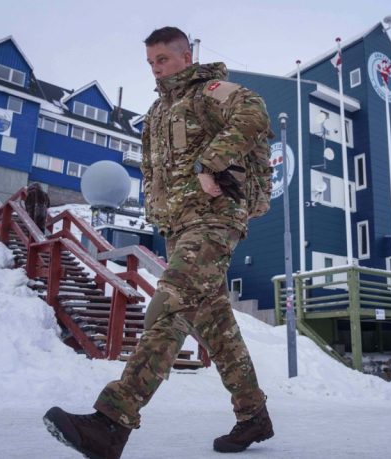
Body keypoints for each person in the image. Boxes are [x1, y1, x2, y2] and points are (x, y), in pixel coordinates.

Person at [43, 26, 273, 458]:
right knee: (216, 328)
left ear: (186, 56)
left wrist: (211, 163)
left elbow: (254, 111)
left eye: (162, 59)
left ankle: (113, 421)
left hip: (213, 220)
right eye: (150, 62)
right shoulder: (157, 112)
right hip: (178, 227)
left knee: (169, 307)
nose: (155, 68)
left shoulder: (208, 92)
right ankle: (253, 415)